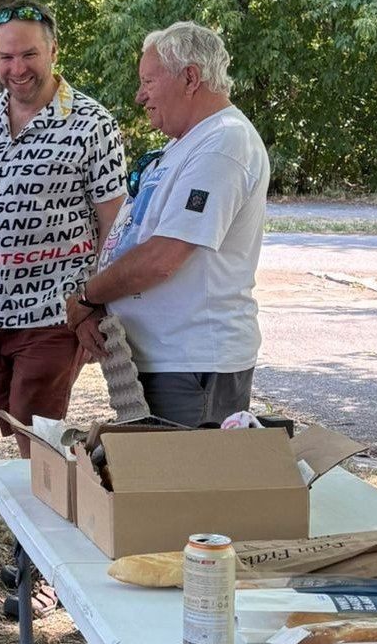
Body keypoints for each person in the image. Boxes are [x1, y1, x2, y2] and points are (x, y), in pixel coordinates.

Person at [65, 21, 270, 427]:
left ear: (190, 78)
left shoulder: (224, 142)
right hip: (166, 359)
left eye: (148, 81)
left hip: (194, 362)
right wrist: (99, 303)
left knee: (189, 487)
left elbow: (162, 257)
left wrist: (86, 297)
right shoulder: (187, 143)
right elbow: (136, 239)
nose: (140, 95)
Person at [0, 0, 126, 452]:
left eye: (29, 54)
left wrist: (99, 305)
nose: (17, 67)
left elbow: (115, 223)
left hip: (55, 313)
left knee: (36, 444)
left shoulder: (93, 124)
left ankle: (57, 513)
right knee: (18, 435)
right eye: (6, 56)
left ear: (53, 51)